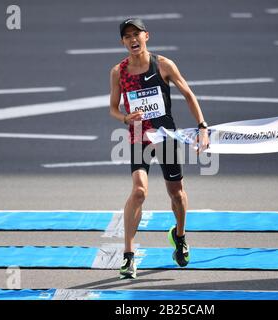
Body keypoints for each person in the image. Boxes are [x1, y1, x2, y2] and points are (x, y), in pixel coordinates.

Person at [109, 18, 210, 279]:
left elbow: (188, 94)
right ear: (122, 41)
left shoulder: (163, 64)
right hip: (138, 137)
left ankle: (179, 236)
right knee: (139, 191)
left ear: (146, 36)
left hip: (165, 136)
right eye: (127, 36)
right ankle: (129, 256)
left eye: (137, 34)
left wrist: (202, 126)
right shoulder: (118, 72)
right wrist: (124, 118)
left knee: (176, 193)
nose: (133, 39)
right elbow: (112, 107)